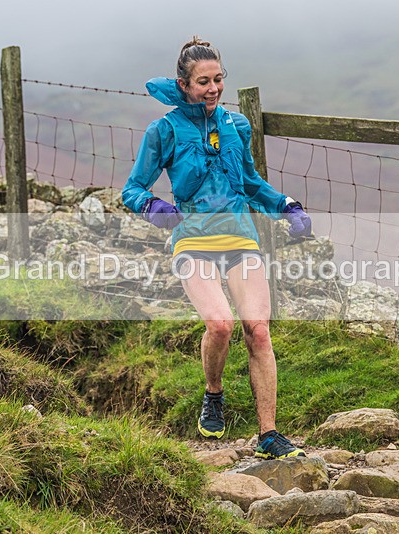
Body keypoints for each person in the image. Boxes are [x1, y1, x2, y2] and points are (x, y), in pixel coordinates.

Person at [122, 36, 312, 460]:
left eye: (219, 80)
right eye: (204, 81)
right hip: (192, 238)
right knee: (220, 325)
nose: (213, 89)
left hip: (240, 236)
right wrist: (155, 206)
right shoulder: (165, 130)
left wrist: (286, 205)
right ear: (184, 84)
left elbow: (248, 184)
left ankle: (268, 435)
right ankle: (213, 392)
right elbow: (132, 188)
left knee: (258, 330)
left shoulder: (236, 126)